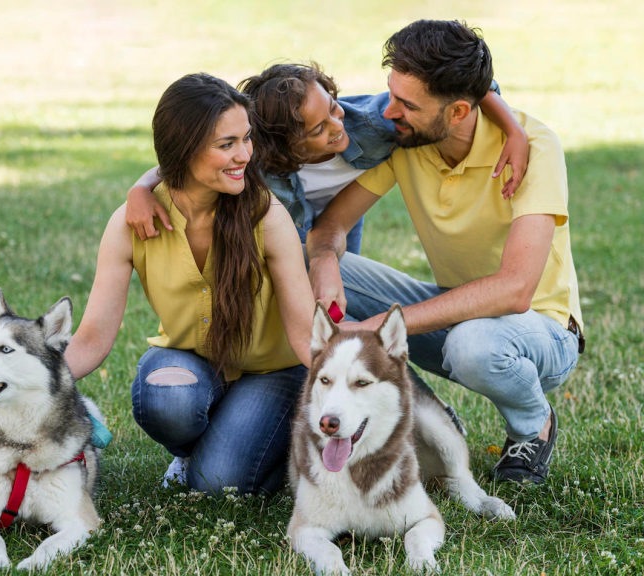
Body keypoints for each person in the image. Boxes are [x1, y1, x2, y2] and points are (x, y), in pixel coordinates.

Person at [307, 20, 583, 485]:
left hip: (541, 332)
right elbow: (331, 226)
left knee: (472, 345)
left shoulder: (535, 146)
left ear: (457, 112)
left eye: (407, 104)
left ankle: (533, 426)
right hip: (455, 310)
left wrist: (377, 328)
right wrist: (324, 261)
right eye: (390, 93)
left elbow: (515, 291)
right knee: (299, 263)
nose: (389, 112)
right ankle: (433, 422)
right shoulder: (408, 138)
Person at [62, 73, 317, 496]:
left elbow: (307, 335)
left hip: (272, 371)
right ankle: (203, 446)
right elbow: (91, 339)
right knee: (168, 402)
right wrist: (25, 383)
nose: (244, 156)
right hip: (191, 362)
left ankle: (273, 444)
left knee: (219, 485)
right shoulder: (133, 221)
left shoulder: (266, 217)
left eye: (246, 139)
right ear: (184, 151)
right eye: (226, 144)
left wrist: (358, 388)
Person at [125, 64, 530, 256]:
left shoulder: (372, 123)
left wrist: (512, 130)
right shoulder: (256, 159)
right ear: (283, 145)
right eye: (317, 130)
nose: (336, 127)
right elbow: (186, 159)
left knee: (343, 287)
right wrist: (141, 189)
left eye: (333, 107)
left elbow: (469, 82)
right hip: (292, 228)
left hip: (343, 219)